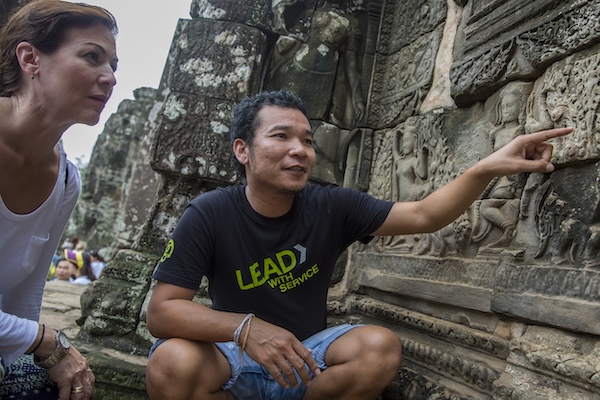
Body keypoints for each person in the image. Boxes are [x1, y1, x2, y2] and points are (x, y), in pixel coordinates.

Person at [145, 90, 573, 400]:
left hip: (306, 361)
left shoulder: (333, 205)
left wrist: (486, 167)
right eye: (281, 137)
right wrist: (246, 328)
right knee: (169, 363)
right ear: (243, 150)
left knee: (378, 348)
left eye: (308, 141)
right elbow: (163, 311)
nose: (300, 151)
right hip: (233, 357)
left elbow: (425, 216)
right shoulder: (209, 212)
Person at [0, 1, 118, 399]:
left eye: (113, 66)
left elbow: (25, 297)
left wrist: (45, 357)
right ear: (30, 58)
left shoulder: (65, 180)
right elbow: (37, 331)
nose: (110, 78)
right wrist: (49, 341)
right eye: (92, 56)